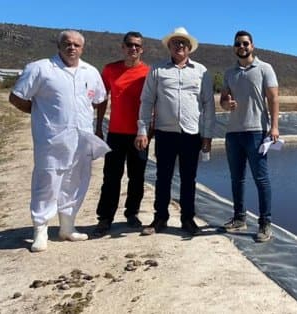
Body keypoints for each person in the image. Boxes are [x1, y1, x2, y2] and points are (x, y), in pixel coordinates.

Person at [9, 30, 109, 252]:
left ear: (82, 48)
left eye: (76, 45)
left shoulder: (90, 72)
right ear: (59, 45)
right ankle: (40, 230)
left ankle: (67, 227)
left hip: (81, 139)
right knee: (47, 182)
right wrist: (38, 113)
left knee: (76, 181)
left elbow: (99, 99)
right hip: (51, 139)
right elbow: (16, 97)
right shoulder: (40, 68)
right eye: (67, 43)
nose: (71, 47)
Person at [135, 27, 215, 236]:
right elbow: (146, 101)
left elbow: (208, 105)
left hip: (191, 134)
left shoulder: (201, 71)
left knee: (189, 179)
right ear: (169, 46)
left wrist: (207, 136)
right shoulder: (157, 70)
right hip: (165, 133)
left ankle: (188, 220)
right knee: (163, 177)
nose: (180, 45)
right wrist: (142, 130)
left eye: (183, 43)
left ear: (189, 48)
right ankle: (160, 218)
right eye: (176, 42)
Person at [220, 30, 280, 243]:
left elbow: (273, 99)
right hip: (233, 134)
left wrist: (274, 127)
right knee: (237, 179)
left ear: (252, 46)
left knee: (261, 179)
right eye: (238, 44)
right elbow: (223, 100)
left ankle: (265, 223)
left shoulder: (265, 69)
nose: (242, 47)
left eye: (245, 43)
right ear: (234, 47)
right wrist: (226, 104)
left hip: (256, 132)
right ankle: (239, 218)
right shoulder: (229, 73)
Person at [92, 31, 151, 237]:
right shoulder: (110, 70)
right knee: (111, 177)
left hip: (139, 134)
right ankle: (105, 218)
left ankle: (132, 213)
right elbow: (101, 99)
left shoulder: (148, 72)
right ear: (123, 47)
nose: (133, 48)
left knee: (137, 177)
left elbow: (154, 103)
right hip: (115, 133)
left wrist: (149, 132)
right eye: (129, 45)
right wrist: (99, 126)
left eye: (137, 45)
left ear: (142, 49)